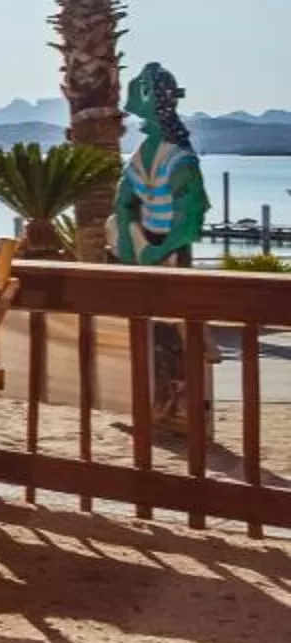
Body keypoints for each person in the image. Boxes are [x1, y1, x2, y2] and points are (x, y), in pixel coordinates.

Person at [114, 62, 208, 430]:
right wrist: (127, 238)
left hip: (168, 254)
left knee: (171, 331)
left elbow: (191, 213)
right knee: (148, 330)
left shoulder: (178, 156)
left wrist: (160, 249)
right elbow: (124, 199)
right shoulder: (145, 153)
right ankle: (153, 405)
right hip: (143, 253)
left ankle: (175, 407)